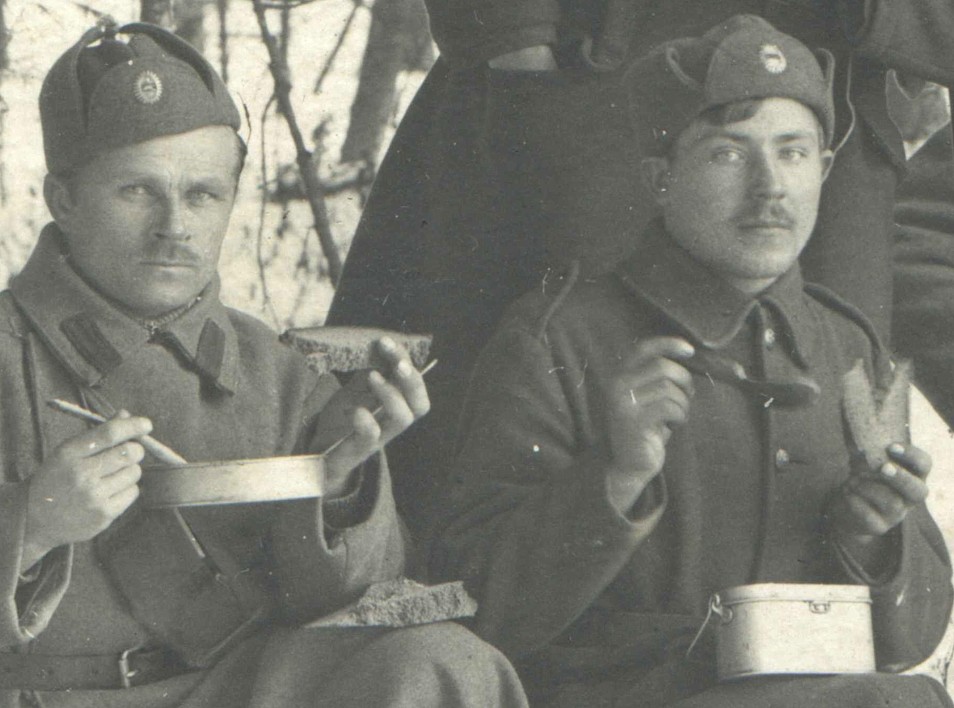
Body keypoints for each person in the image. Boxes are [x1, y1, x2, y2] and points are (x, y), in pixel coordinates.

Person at [0, 21, 528, 708]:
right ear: (63, 200)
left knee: (442, 663)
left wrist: (336, 483)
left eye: (202, 194)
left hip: (244, 689)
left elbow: (359, 608)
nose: (174, 226)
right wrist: (31, 526)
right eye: (136, 190)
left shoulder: (277, 371)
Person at [432, 16, 953, 707]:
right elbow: (473, 608)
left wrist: (872, 537)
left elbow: (915, 636)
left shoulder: (848, 348)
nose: (771, 188)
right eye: (728, 155)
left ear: (826, 170)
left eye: (794, 153)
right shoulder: (561, 340)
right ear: (661, 178)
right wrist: (614, 478)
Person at [326, 0, 954, 537]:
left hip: (827, 105)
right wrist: (518, 48)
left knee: (834, 482)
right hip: (587, 81)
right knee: (547, 420)